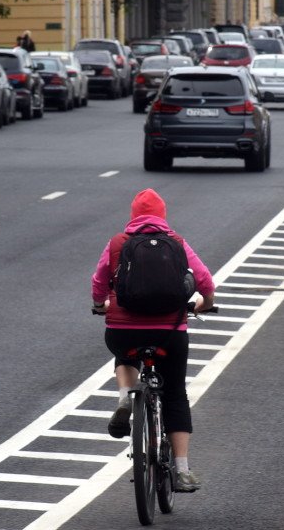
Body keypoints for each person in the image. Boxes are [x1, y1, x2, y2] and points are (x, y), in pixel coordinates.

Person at [91, 188, 215, 492]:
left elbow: (98, 281)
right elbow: (205, 281)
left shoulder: (118, 243)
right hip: (169, 331)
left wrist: (99, 305)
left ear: (133, 215)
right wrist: (205, 302)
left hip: (123, 329)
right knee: (174, 394)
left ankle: (124, 399)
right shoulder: (177, 243)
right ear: (162, 215)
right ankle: (183, 471)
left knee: (124, 355)